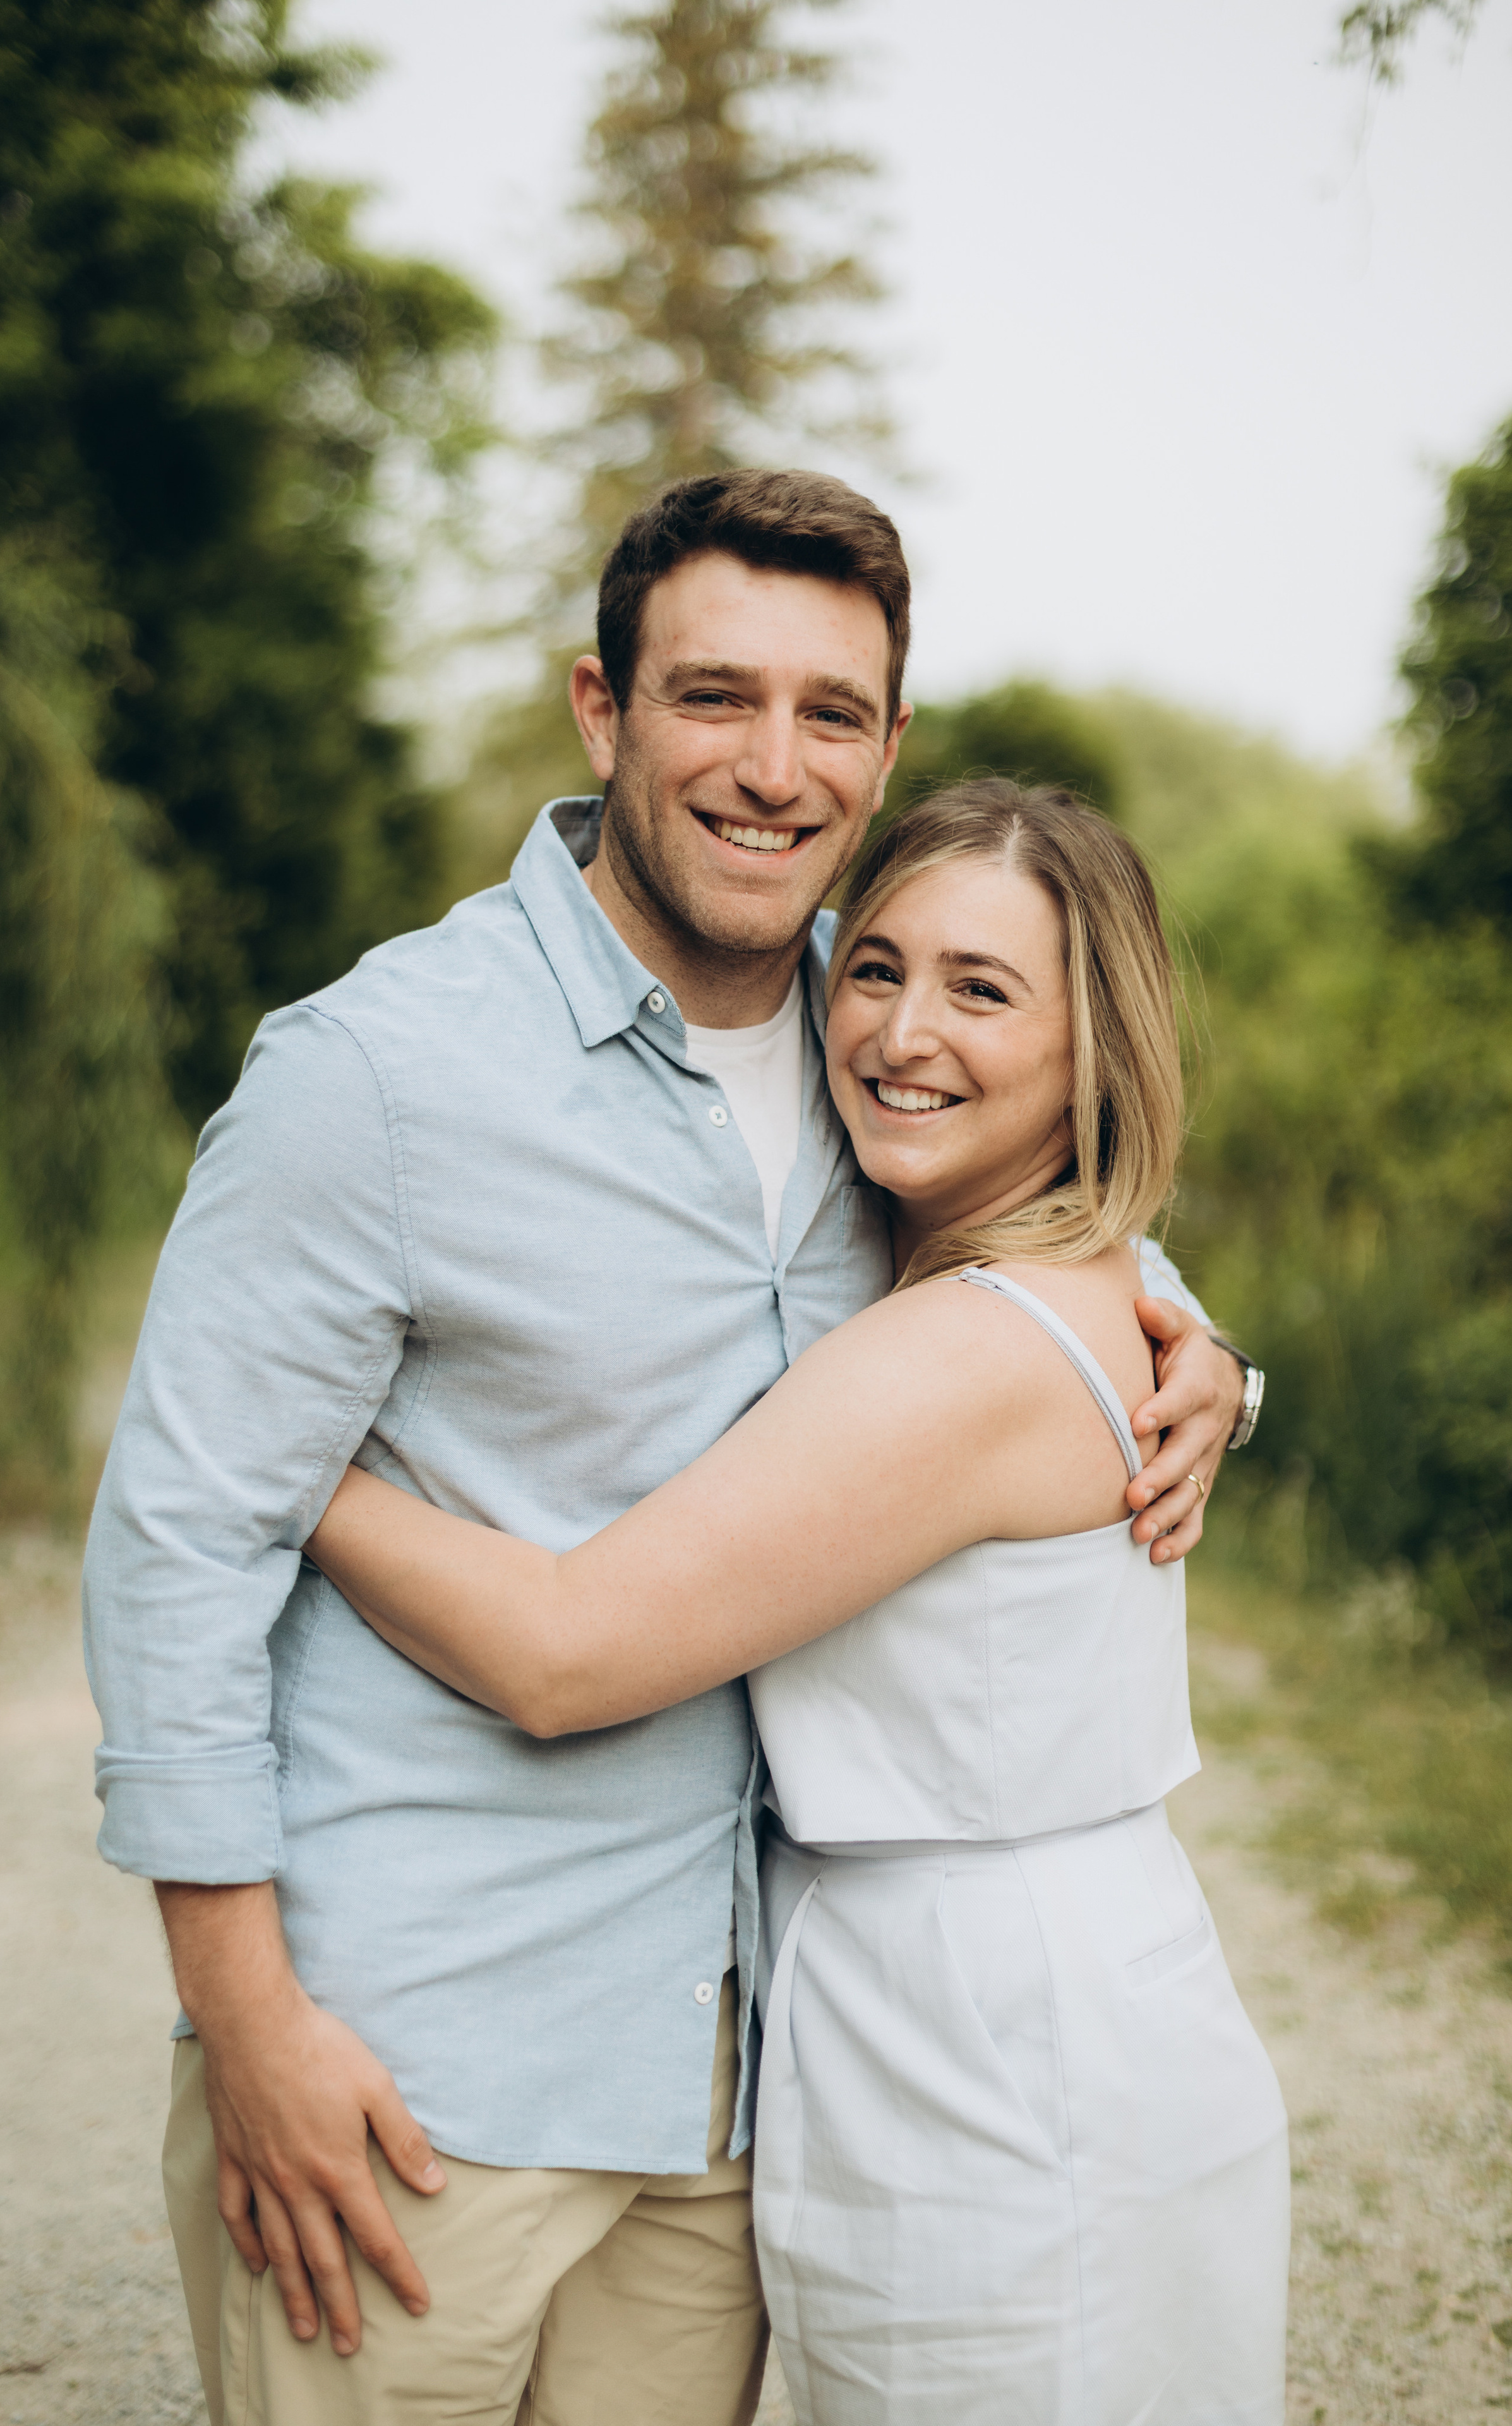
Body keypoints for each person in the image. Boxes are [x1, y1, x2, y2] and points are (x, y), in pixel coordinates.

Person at [83, 471, 1252, 2426]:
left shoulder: (860, 1029)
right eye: (714, 697)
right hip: (416, 2069)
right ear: (603, 710)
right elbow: (179, 1544)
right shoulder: (375, 1073)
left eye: (832, 713)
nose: (771, 767)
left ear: (885, 752)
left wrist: (1203, 1338)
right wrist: (250, 2021)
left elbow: (1033, 1203)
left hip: (729, 2093)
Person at [304, 780, 1290, 2425]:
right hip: (934, 1998)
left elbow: (566, 1649)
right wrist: (1226, 1367)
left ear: (1094, 1049)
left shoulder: (967, 1346)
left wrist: (297, 1472)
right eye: (880, 968)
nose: (904, 1031)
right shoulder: (1043, 1279)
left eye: (984, 991)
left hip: (1001, 2043)